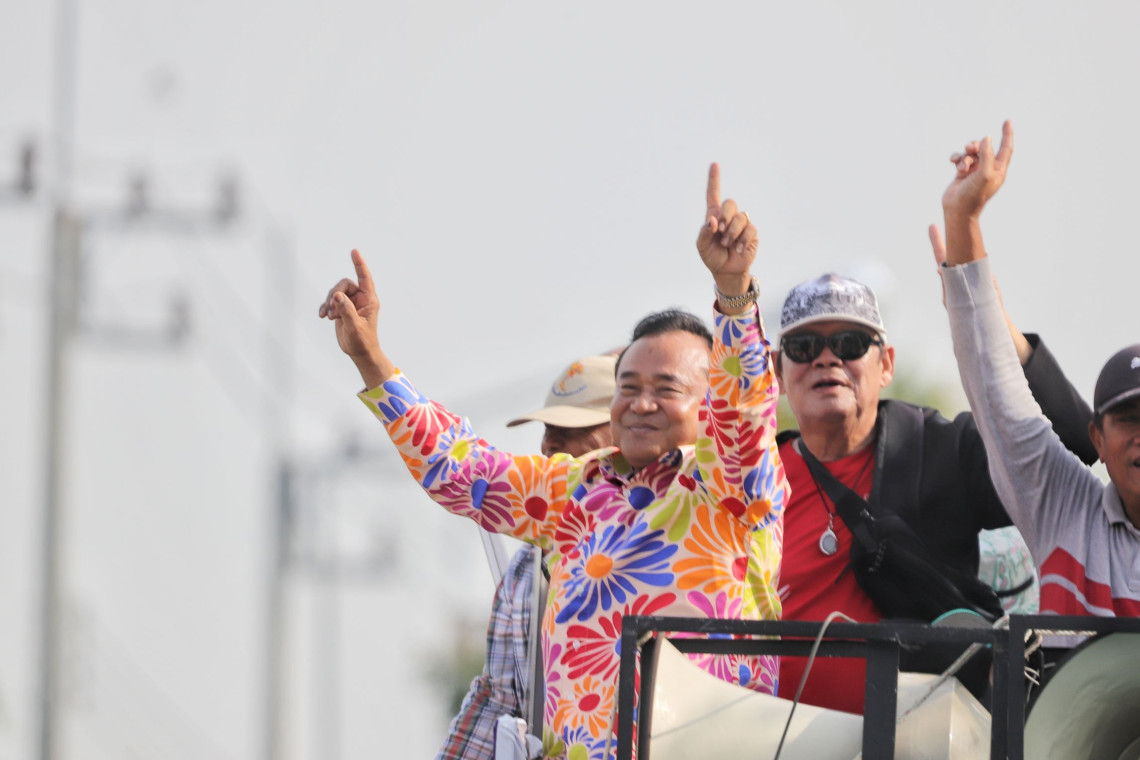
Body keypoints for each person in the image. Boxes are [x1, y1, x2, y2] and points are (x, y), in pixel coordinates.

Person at [319, 164, 789, 760]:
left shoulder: (731, 487)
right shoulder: (576, 491)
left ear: (707, 404)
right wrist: (372, 360)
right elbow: (460, 467)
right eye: (628, 387)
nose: (641, 403)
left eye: (666, 389)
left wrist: (734, 292)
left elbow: (745, 409)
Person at [771, 263, 1096, 714]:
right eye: (804, 347)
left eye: (850, 344)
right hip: (767, 734)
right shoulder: (751, 479)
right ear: (777, 371)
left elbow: (1074, 443)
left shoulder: (942, 450)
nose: (826, 359)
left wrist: (992, 321)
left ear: (886, 364)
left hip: (915, 735)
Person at [937, 119, 1140, 618]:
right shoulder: (1065, 509)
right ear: (1097, 440)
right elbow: (995, 388)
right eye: (1129, 420)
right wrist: (963, 218)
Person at [438, 354, 617, 760]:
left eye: (571, 429)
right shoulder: (526, 566)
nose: (549, 444)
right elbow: (498, 698)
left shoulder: (671, 539)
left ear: (624, 428)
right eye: (547, 430)